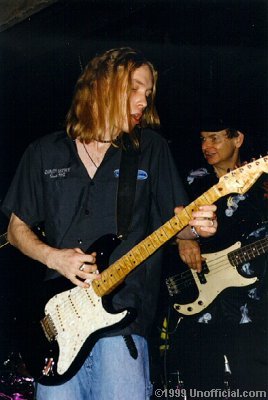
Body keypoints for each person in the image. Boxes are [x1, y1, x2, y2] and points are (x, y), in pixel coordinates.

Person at [1, 47, 217, 400]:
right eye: (134, 88)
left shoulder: (151, 149)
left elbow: (180, 224)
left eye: (147, 93)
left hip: (123, 323)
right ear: (101, 85)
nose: (143, 101)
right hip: (56, 327)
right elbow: (16, 229)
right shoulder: (43, 152)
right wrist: (55, 258)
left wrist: (197, 227)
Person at [164, 118, 268, 396]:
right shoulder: (189, 181)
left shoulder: (261, 182)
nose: (206, 146)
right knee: (201, 386)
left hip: (251, 309)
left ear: (238, 139)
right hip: (199, 308)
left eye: (214, 138)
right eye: (202, 139)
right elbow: (155, 227)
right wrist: (181, 239)